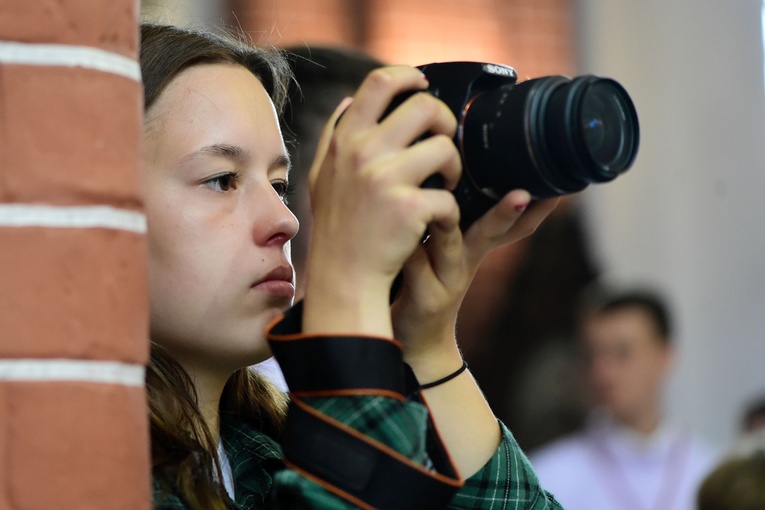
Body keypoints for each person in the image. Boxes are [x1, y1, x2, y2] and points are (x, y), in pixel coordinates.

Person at [140, 23, 562, 509]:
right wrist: (348, 294)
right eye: (222, 180)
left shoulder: (266, 453)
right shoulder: (92, 473)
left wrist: (427, 346)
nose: (287, 219)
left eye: (278, 185)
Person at [529, 288, 718, 510]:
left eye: (622, 353)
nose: (603, 372)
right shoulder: (546, 478)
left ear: (665, 355)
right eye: (593, 354)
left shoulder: (712, 471)